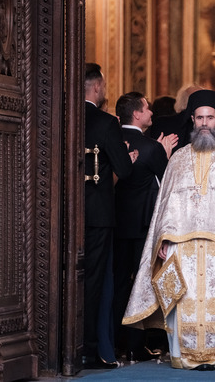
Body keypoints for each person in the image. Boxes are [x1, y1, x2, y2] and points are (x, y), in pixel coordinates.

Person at [122, 90, 215, 370]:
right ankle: (183, 354)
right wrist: (163, 239)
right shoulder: (178, 158)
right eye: (199, 117)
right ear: (192, 119)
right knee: (183, 296)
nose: (204, 123)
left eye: (209, 118)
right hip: (181, 242)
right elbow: (166, 202)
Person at [112, 92, 178, 362]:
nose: (151, 112)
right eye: (147, 108)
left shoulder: (115, 141)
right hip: (142, 227)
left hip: (116, 224)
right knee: (142, 284)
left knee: (117, 285)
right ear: (137, 114)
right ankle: (136, 345)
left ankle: (115, 342)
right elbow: (167, 181)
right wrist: (166, 153)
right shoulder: (150, 147)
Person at [84, 63, 134, 368]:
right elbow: (124, 169)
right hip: (98, 214)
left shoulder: (55, 114)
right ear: (97, 87)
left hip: (53, 213)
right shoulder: (105, 123)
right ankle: (89, 348)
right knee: (94, 281)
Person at [149, 84, 215, 153]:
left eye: (210, 117)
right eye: (200, 117)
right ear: (193, 118)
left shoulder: (161, 122)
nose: (204, 123)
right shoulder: (179, 154)